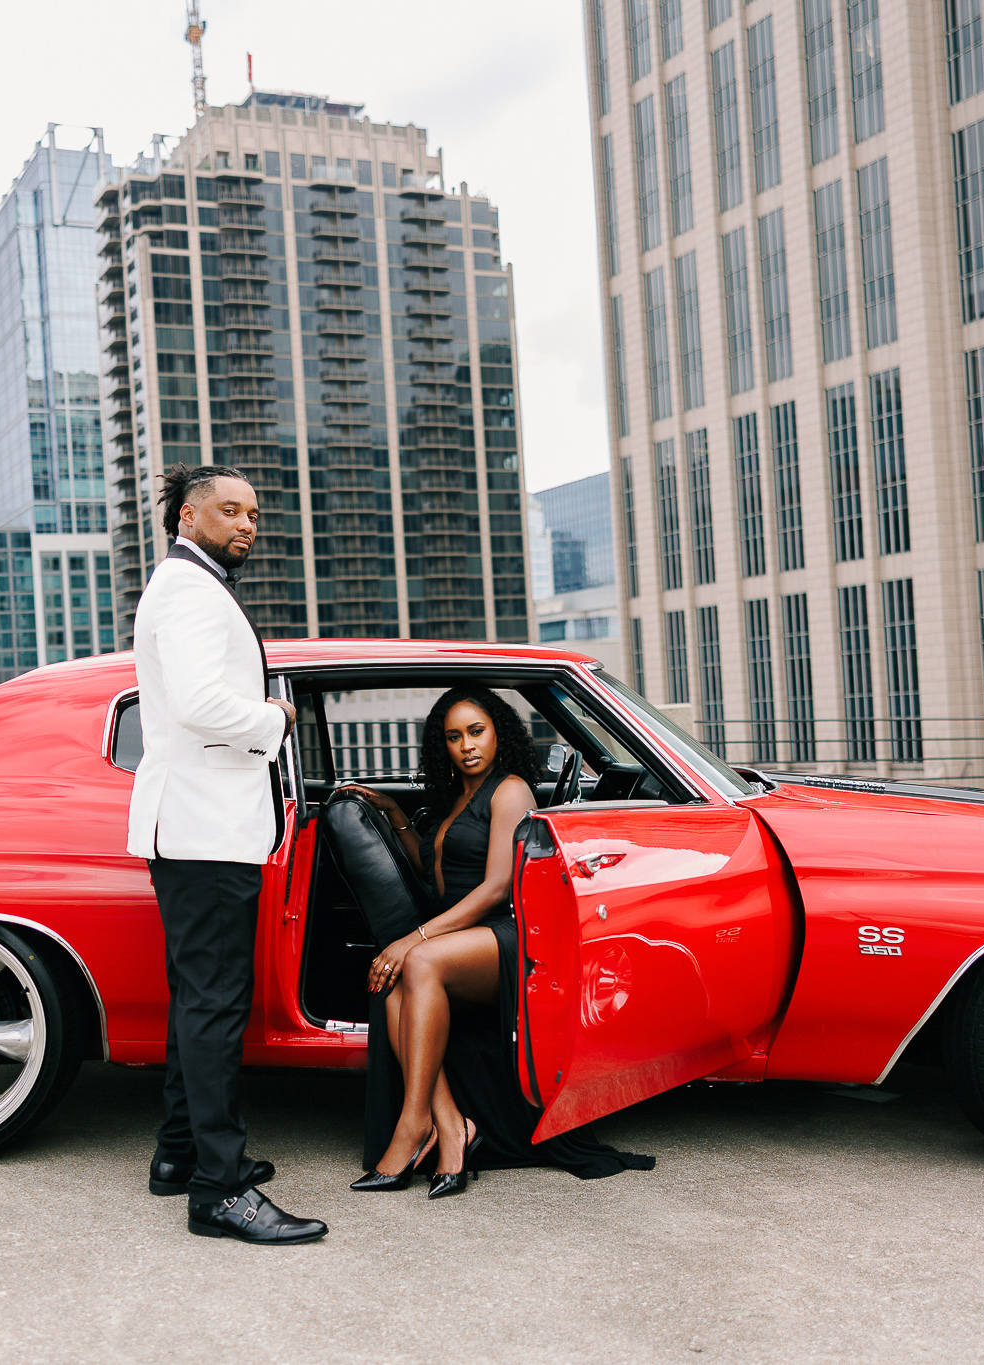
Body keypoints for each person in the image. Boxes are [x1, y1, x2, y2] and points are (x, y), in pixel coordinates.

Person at [338, 686, 654, 1197]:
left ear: (499, 733)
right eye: (453, 737)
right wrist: (395, 814)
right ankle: (451, 1124)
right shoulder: (454, 796)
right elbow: (432, 869)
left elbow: (496, 887)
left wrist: (413, 938)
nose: (466, 746)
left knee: (417, 960)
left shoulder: (510, 791)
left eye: (476, 732)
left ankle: (413, 1122)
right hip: (461, 936)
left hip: (506, 935)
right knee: (394, 983)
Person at [127, 463, 327, 1245]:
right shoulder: (187, 589)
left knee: (196, 1000)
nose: (248, 524)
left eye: (254, 514)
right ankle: (219, 1189)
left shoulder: (189, 584)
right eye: (231, 510)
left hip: (197, 827)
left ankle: (180, 1153)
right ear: (188, 515)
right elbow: (199, 704)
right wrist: (276, 716)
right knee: (215, 1005)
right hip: (203, 828)